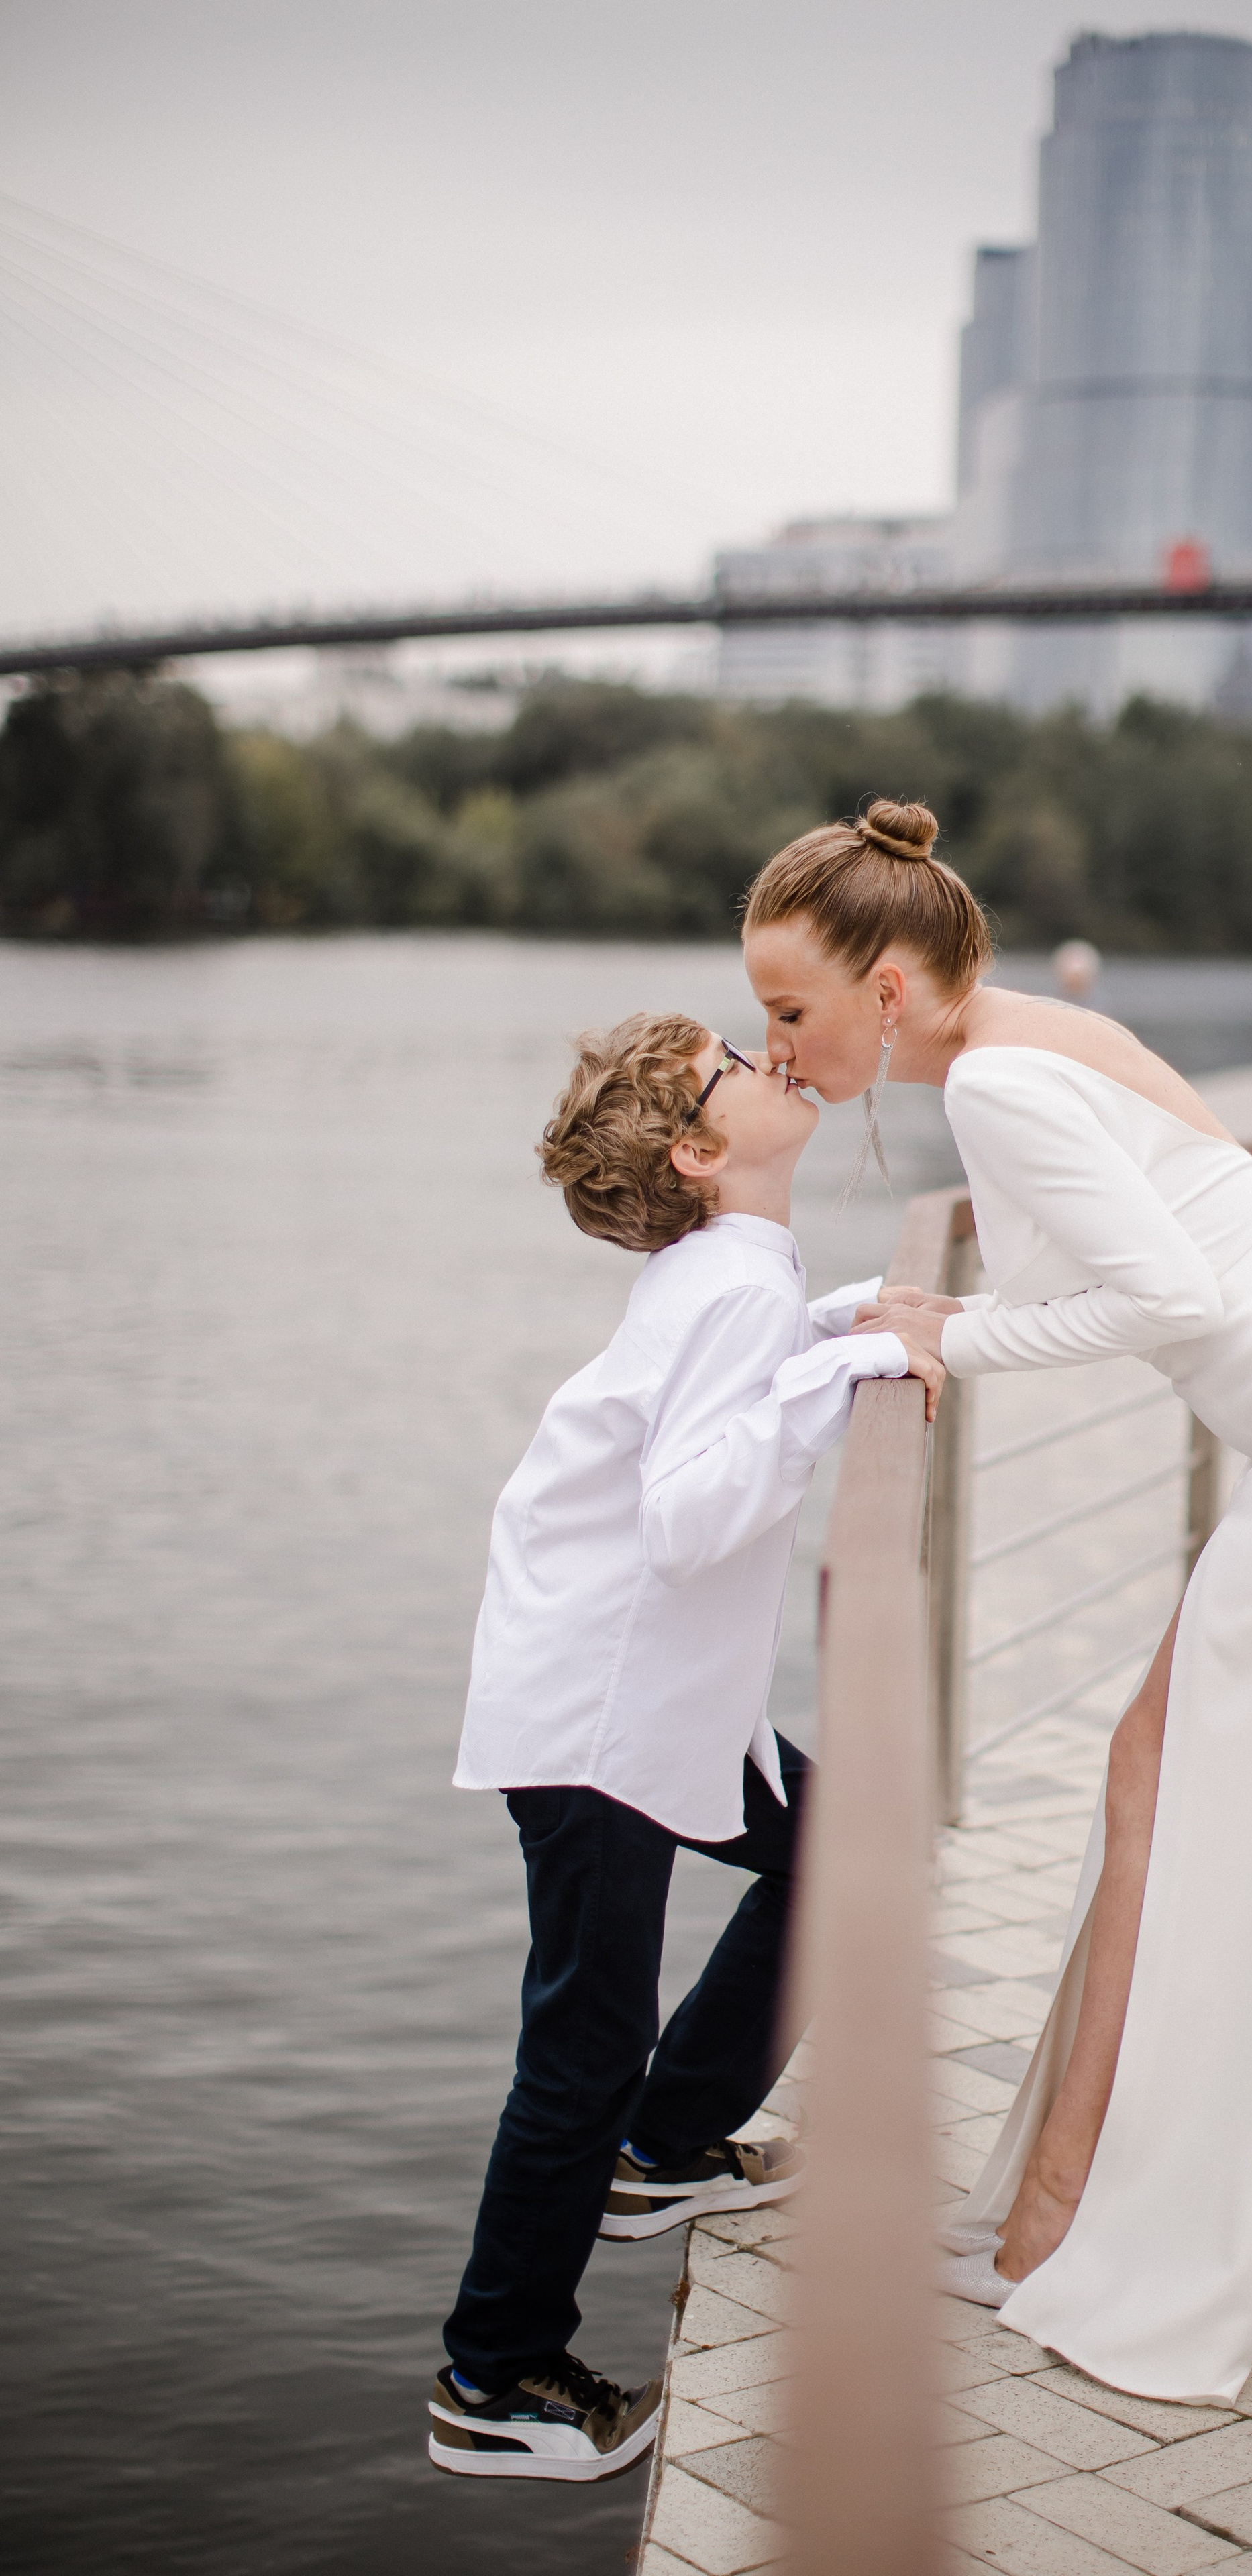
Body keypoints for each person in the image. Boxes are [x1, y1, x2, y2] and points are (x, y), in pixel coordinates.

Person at [742, 798, 1252, 2408]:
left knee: (1174, 1792)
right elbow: (1147, 1247)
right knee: (1176, 1786)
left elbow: (1164, 1291)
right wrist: (952, 1309)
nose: (770, 1046)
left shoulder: (995, 1083)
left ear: (884, 992)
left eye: (785, 1009)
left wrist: (954, 1343)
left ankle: (1069, 2220)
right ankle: (1066, 2206)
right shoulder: (1029, 1035)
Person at [430, 1013, 919, 2481]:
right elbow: (691, 1514)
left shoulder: (733, 1271)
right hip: (599, 1715)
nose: (767, 1054)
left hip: (630, 1694)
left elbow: (728, 1392)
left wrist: (841, 1326)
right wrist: (841, 1368)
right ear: (702, 1153)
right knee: (581, 2050)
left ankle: (667, 2149)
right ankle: (497, 2375)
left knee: (844, 1846)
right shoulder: (729, 1285)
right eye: (731, 1062)